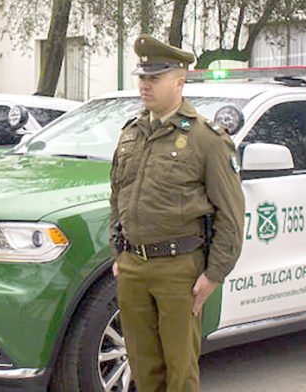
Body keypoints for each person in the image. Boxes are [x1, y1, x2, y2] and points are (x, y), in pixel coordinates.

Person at [109, 35, 245, 391]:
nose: (144, 85)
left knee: (179, 371)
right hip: (133, 267)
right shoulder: (131, 134)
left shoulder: (206, 139)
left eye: (154, 78)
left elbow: (231, 213)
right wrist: (118, 251)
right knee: (142, 366)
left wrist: (214, 273)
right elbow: (117, 195)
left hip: (179, 269)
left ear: (179, 81)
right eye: (142, 77)